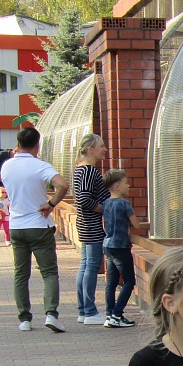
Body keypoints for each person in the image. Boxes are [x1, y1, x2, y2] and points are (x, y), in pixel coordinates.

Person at [0, 127, 68, 333]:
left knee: (21, 274)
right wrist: (51, 203)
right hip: (39, 224)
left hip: (17, 226)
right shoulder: (40, 166)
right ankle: (51, 314)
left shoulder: (6, 166)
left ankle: (24, 319)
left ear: (18, 144)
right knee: (48, 272)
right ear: (37, 144)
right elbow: (63, 185)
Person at [101, 169, 148, 327]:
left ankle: (109, 314)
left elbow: (104, 223)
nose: (129, 186)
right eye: (126, 183)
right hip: (121, 246)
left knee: (112, 282)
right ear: (117, 186)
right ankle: (117, 313)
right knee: (129, 281)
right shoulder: (124, 204)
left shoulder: (105, 204)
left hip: (107, 245)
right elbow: (136, 224)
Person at [73, 134, 110, 325]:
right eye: (101, 146)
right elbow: (85, 199)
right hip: (91, 223)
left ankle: (83, 309)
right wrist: (105, 209)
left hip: (85, 222)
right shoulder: (89, 171)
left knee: (86, 264)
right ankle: (89, 310)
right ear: (90, 149)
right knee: (91, 266)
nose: (105, 149)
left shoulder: (80, 170)